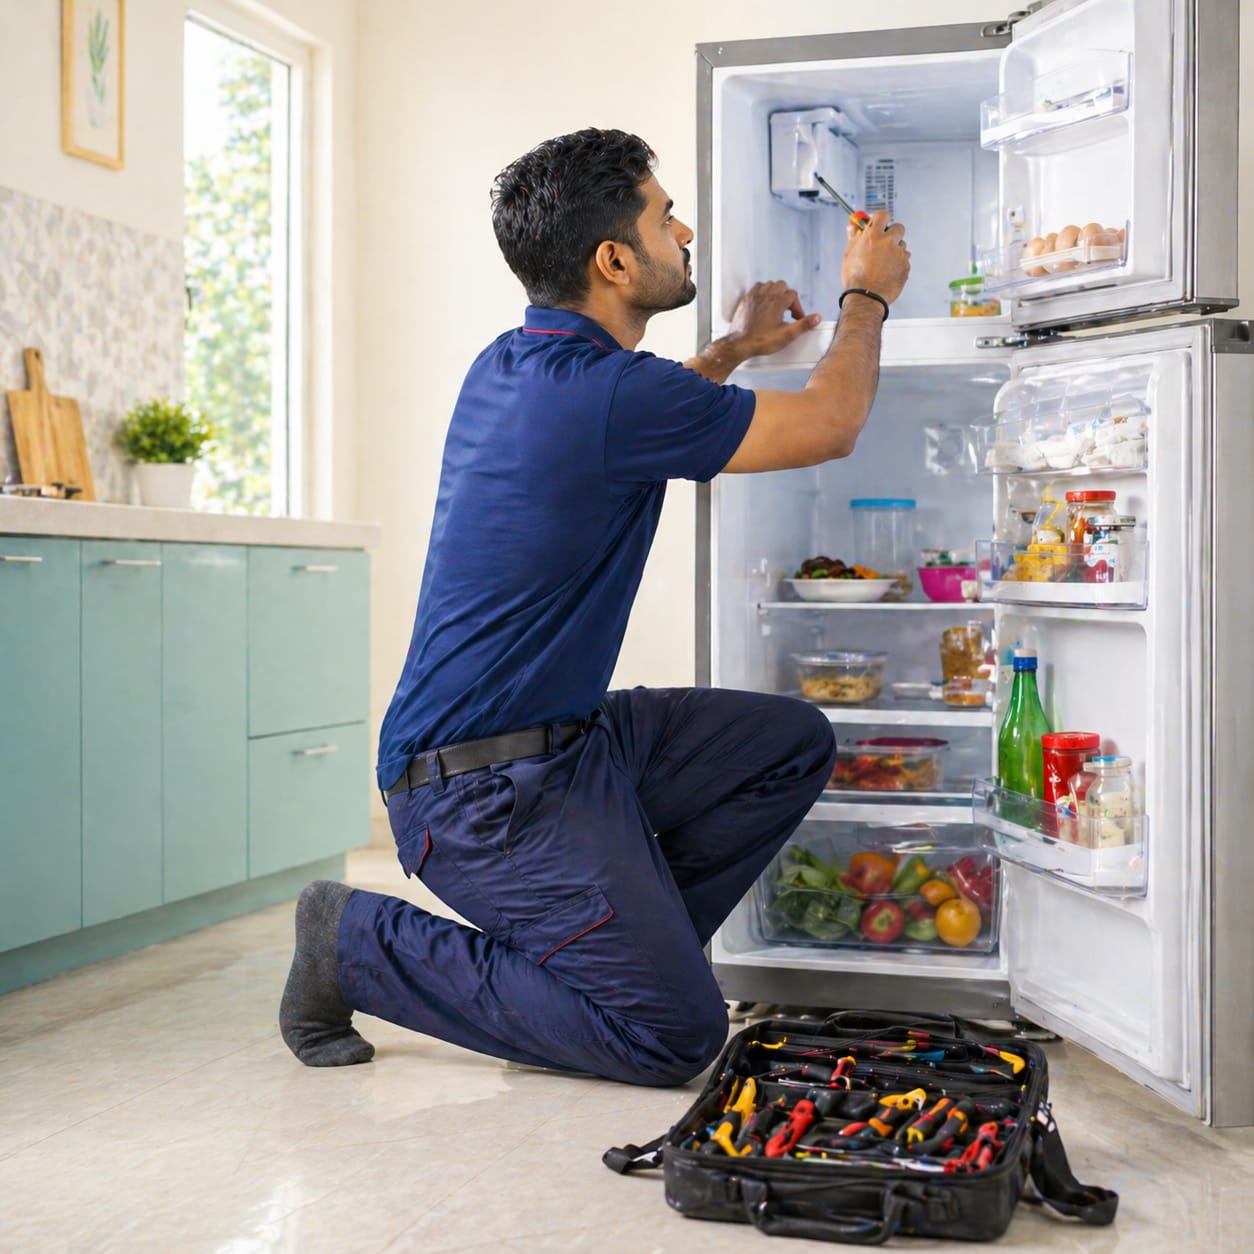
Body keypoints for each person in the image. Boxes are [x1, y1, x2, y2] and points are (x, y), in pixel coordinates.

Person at [279, 127, 910, 1084]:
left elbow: (644, 414)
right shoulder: (609, 396)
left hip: (563, 747)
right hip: (476, 794)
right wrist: (867, 292)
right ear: (614, 259)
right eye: (665, 216)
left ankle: (610, 961)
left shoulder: (522, 363)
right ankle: (357, 942)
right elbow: (831, 424)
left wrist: (734, 347)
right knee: (673, 1039)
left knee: (787, 744)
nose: (685, 227)